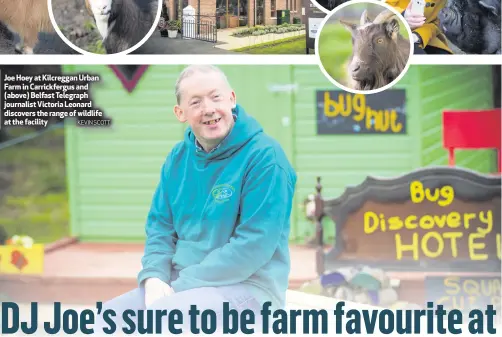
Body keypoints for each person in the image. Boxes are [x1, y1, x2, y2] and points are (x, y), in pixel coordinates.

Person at [94, 65, 297, 335]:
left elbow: (254, 247)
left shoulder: (265, 158)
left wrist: (177, 288)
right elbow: (160, 228)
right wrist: (154, 277)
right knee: (102, 320)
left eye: (216, 97)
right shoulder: (177, 159)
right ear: (181, 113)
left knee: (164, 323)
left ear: (232, 99)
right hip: (181, 284)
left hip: (250, 289)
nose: (209, 109)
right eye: (196, 102)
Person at [385, 0, 453, 54]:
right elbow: (382, 9)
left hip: (426, 37)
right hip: (392, 32)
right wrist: (402, 16)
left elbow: (437, 23)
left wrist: (418, 36)